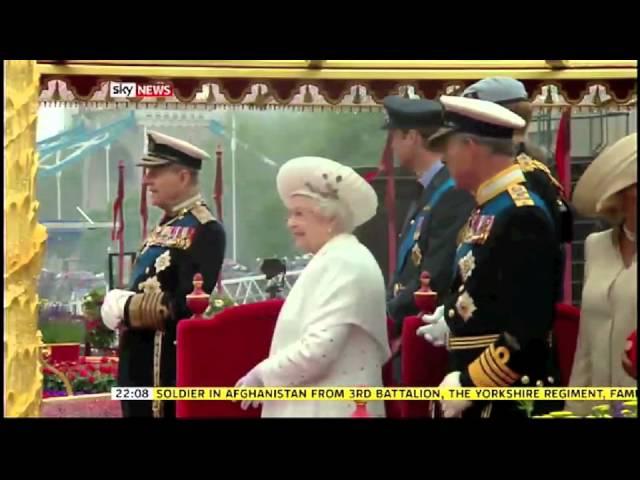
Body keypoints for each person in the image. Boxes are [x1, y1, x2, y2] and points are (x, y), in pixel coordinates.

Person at [421, 96, 559, 418]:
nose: (443, 159)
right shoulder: (491, 205)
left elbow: (528, 327)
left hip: (505, 396)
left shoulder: (521, 215)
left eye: (448, 147)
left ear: (470, 146)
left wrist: (472, 384)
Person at [234, 156, 391, 417]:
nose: (290, 223)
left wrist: (263, 375)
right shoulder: (335, 258)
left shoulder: (345, 262)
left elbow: (319, 350)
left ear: (329, 218)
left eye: (299, 214)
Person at [100, 131, 226, 418]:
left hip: (164, 369)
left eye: (155, 172)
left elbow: (185, 306)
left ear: (182, 177)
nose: (146, 181)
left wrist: (126, 306)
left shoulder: (206, 230)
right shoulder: (165, 225)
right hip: (139, 366)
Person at [382, 96, 475, 339]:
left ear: (411, 137)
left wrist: (387, 313)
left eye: (394, 136)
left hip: (429, 328)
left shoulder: (452, 192)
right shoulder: (432, 187)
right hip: (412, 323)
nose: (391, 146)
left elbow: (437, 272)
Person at [566, 133, 636, 416]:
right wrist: (573, 408)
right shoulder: (597, 246)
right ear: (622, 193)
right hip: (597, 406)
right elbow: (586, 341)